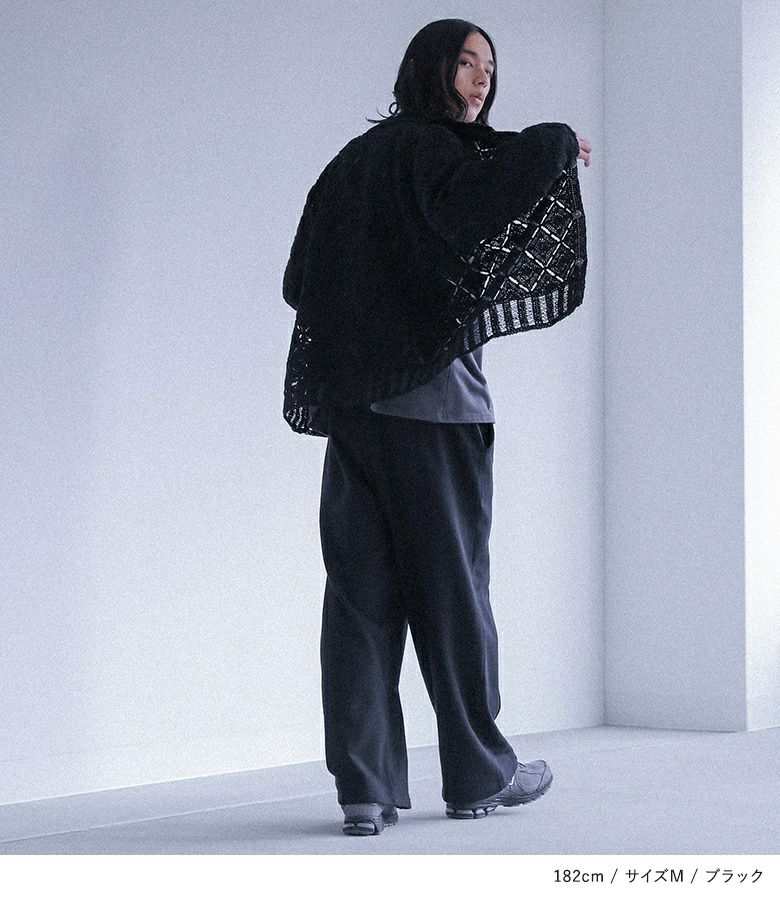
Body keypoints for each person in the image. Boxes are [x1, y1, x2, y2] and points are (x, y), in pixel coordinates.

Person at [282, 18, 592, 836]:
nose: (482, 79)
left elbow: (300, 280)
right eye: (466, 63)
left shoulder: (353, 163)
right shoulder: (444, 156)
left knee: (358, 601)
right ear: (430, 68)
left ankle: (364, 790)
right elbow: (488, 200)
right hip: (436, 410)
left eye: (489, 66)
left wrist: (372, 311)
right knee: (454, 595)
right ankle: (478, 774)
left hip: (355, 414)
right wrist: (556, 143)